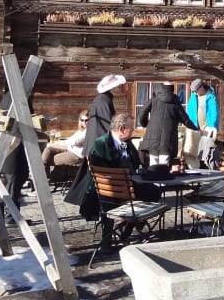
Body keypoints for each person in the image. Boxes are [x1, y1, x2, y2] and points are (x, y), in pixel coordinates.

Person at [85, 113, 151, 252]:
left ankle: (126, 230)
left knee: (153, 190)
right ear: (121, 129)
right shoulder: (102, 143)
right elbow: (100, 170)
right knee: (150, 192)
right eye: (131, 129)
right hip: (109, 190)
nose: (133, 131)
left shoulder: (127, 142)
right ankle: (116, 234)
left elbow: (137, 163)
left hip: (127, 187)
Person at [138, 82, 197, 166]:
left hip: (152, 136)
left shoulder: (154, 100)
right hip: (168, 138)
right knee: (164, 164)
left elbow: (142, 112)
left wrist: (145, 124)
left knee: (153, 163)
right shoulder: (176, 103)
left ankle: (154, 178)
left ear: (163, 88)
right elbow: (185, 120)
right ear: (172, 89)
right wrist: (196, 129)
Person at [84, 73, 127, 156]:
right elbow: (107, 124)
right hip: (99, 147)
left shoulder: (104, 99)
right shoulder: (103, 101)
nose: (120, 88)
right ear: (113, 88)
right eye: (118, 85)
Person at [42, 110, 87, 178]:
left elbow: (73, 142)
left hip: (75, 155)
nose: (84, 122)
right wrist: (55, 143)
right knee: (48, 149)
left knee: (49, 159)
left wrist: (56, 144)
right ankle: (43, 175)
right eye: (82, 120)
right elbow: (69, 141)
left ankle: (42, 177)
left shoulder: (88, 131)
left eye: (86, 120)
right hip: (69, 149)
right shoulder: (81, 130)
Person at [185, 79, 220, 168]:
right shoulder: (193, 97)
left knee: (208, 150)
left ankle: (210, 169)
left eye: (196, 90)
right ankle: (196, 169)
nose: (195, 92)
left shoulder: (211, 96)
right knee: (194, 150)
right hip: (195, 128)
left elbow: (214, 112)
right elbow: (190, 111)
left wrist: (212, 126)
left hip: (207, 128)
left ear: (201, 87)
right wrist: (191, 126)